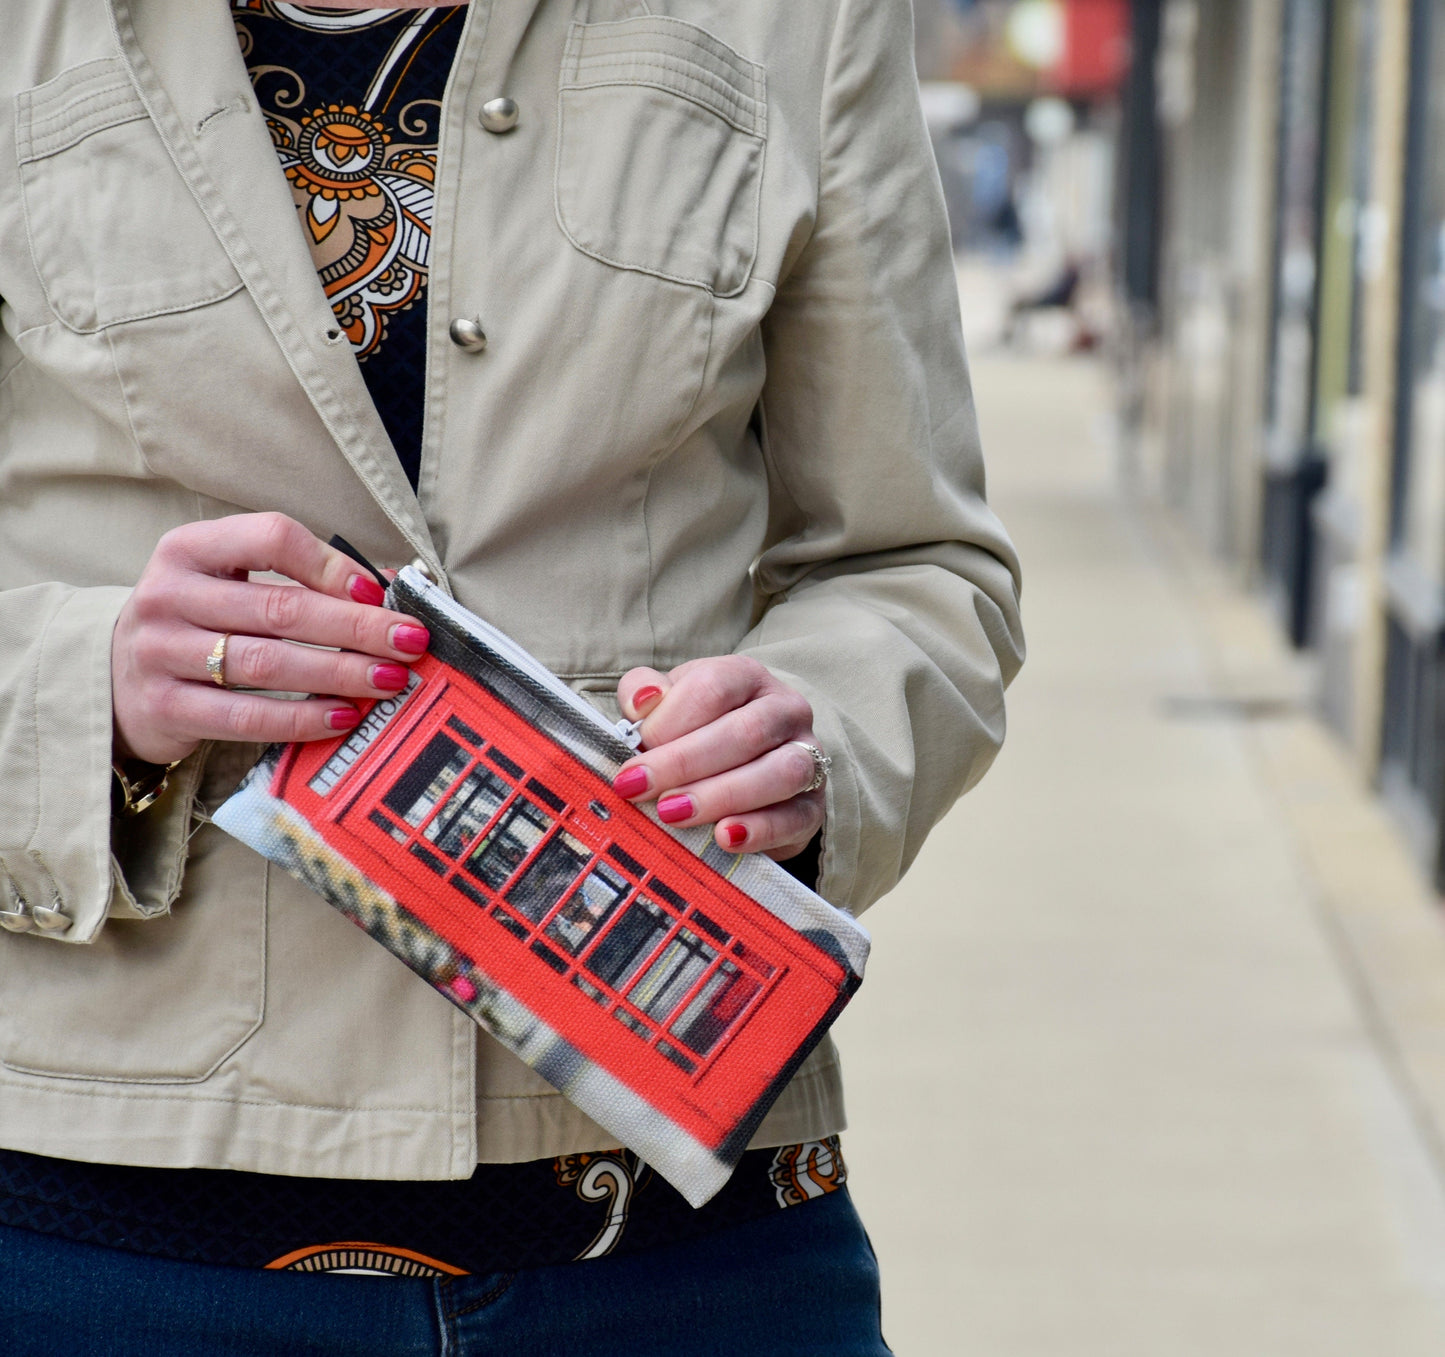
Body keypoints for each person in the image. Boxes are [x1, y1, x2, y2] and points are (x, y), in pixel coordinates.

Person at [0, 0, 1024, 1351]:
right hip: (111, 1235)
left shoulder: (798, 24)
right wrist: (91, 683)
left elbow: (917, 564)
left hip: (674, 1245)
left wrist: (815, 743)